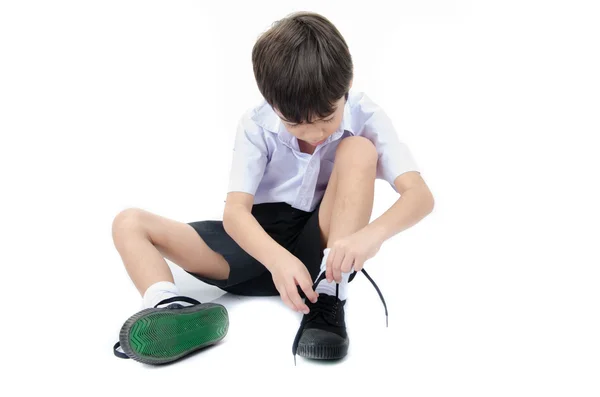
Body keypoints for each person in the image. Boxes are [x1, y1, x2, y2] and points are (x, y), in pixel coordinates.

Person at [111, 11, 434, 365]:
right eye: (296, 123)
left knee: (359, 149)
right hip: (254, 241)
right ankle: (168, 307)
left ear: (348, 85)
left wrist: (369, 236)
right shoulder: (256, 124)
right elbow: (235, 213)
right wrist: (277, 260)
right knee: (129, 223)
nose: (315, 133)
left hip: (320, 245)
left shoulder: (365, 115)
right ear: (271, 102)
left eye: (327, 118)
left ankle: (328, 296)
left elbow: (420, 195)